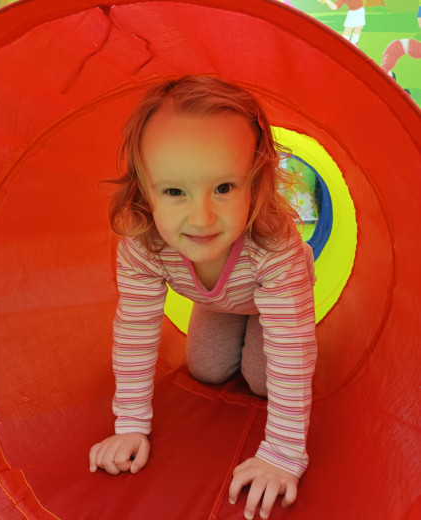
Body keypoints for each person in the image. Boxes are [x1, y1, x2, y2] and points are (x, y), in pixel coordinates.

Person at [89, 75, 317, 520]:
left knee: (262, 383)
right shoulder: (143, 246)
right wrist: (130, 425)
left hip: (272, 299)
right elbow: (135, 332)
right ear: (144, 191)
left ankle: (253, 322)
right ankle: (227, 313)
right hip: (215, 299)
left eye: (224, 188)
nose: (202, 216)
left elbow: (292, 349)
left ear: (255, 181)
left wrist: (283, 453)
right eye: (175, 192)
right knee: (206, 371)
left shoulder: (274, 246)